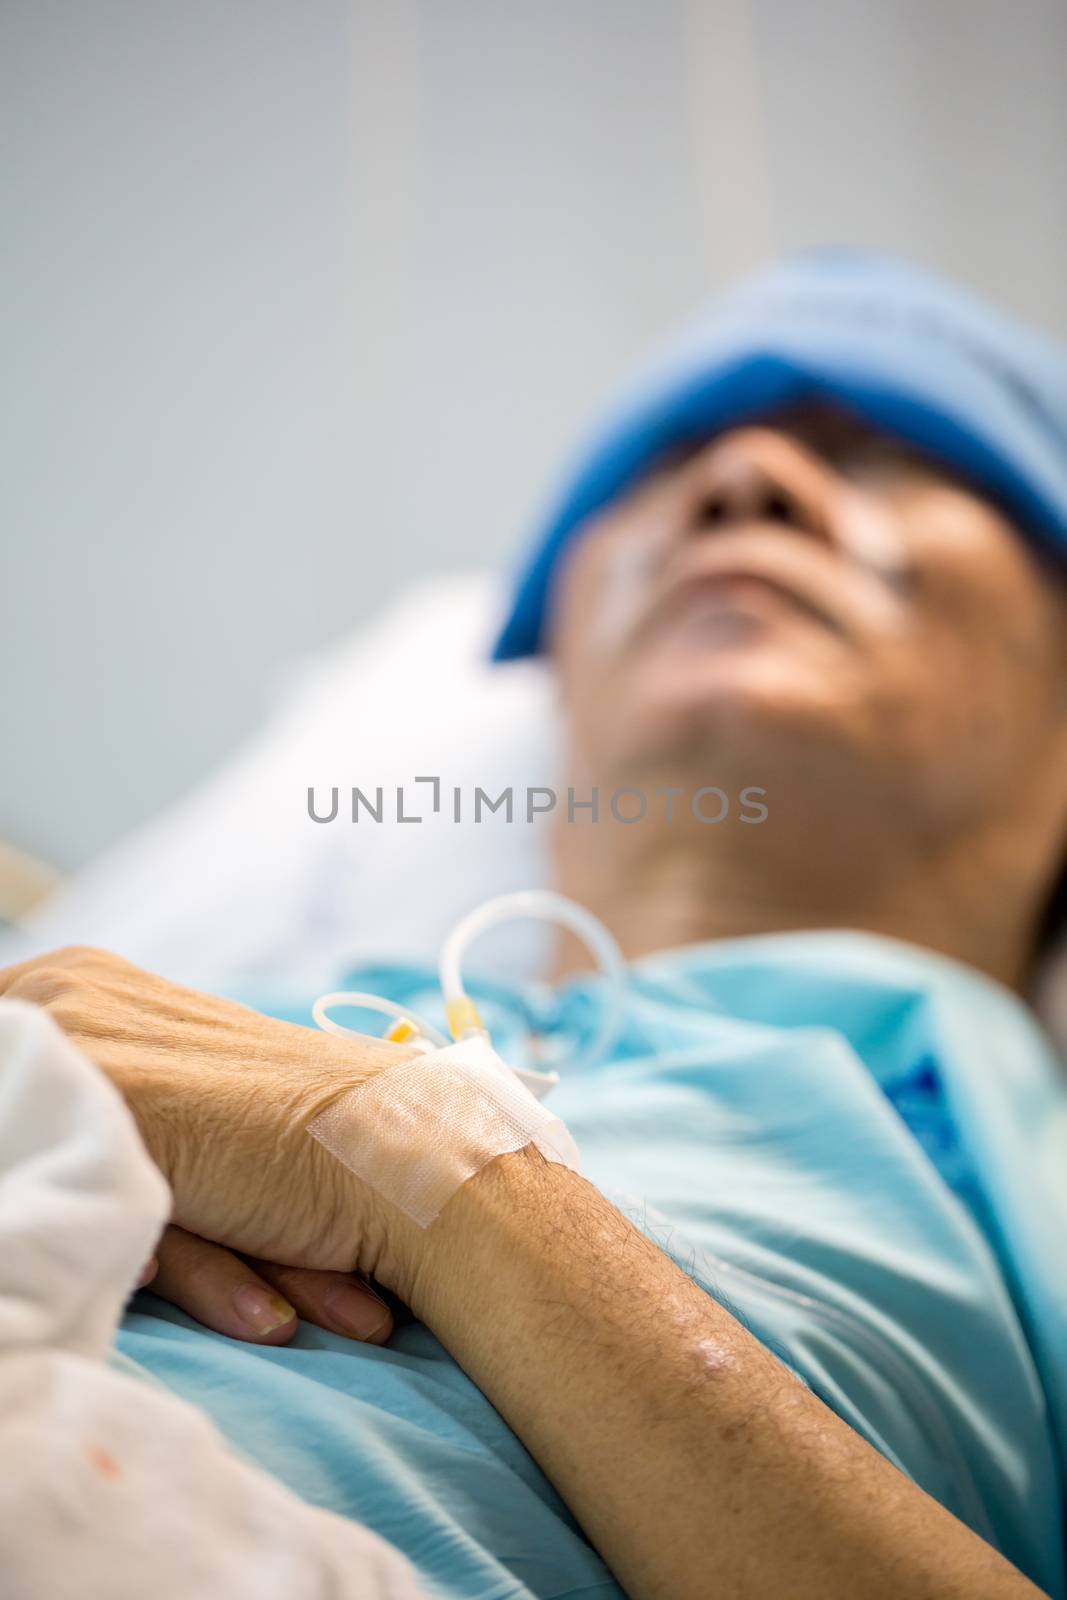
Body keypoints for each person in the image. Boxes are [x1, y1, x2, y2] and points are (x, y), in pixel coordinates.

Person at [2, 249, 1066, 1600]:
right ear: (563, 665)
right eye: (658, 473)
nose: (744, 478)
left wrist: (436, 1180)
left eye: (887, 457)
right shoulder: (186, 1014)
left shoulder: (1025, 1183)